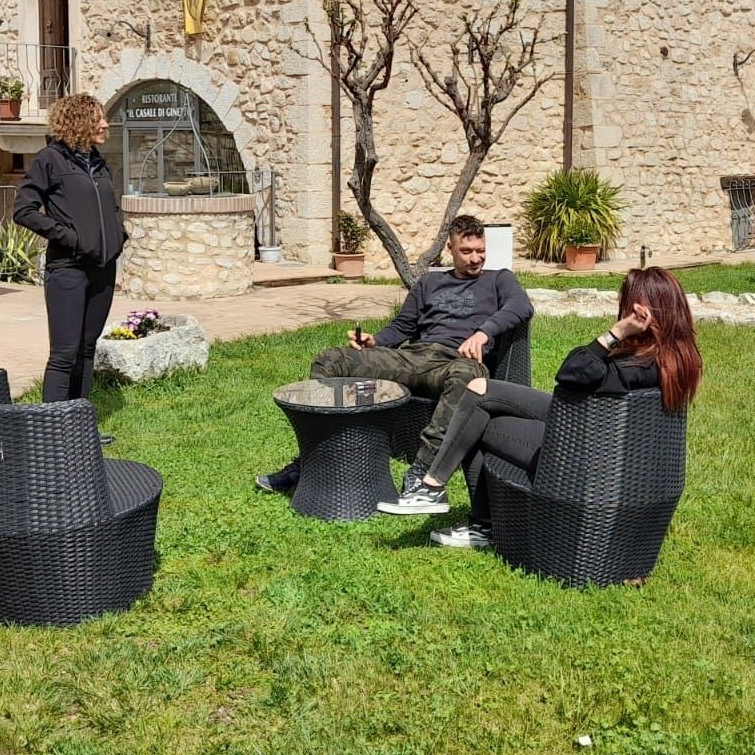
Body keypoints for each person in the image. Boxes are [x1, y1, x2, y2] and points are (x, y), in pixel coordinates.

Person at [376, 266, 702, 548]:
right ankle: (436, 489)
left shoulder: (633, 367)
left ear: (641, 313)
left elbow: (571, 372)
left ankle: (458, 507)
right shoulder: (675, 358)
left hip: (574, 446)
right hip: (586, 428)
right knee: (479, 389)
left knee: (477, 420)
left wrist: (616, 333)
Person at [255, 213, 533, 495]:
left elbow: (521, 306)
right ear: (450, 248)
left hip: (457, 362)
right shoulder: (429, 283)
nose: (475, 258)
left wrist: (483, 332)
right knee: (330, 361)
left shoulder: (499, 279)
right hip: (414, 357)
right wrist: (375, 340)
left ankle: (423, 470)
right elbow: (403, 326)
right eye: (467, 251)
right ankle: (313, 460)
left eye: (480, 251)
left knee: (467, 376)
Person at [13, 94, 126, 427]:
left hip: (102, 269)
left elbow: (110, 206)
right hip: (68, 270)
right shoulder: (50, 160)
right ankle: (52, 432)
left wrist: (118, 235)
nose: (105, 124)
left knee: (87, 349)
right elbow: (24, 211)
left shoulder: (97, 162)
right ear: (78, 122)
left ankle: (78, 429)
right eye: (97, 119)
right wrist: (71, 238)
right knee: (64, 354)